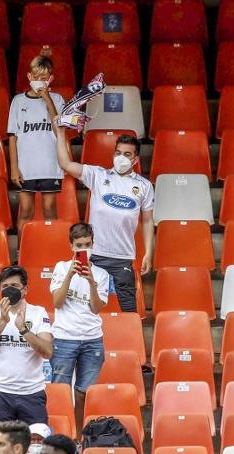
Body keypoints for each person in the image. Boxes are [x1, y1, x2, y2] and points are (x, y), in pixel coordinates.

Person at [51, 113, 153, 313]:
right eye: (117, 153)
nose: (121, 158)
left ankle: (128, 343)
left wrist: (149, 252)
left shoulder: (144, 186)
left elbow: (148, 221)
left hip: (123, 256)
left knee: (128, 310)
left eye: (127, 154)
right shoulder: (98, 175)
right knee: (87, 306)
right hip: (93, 254)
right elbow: (66, 164)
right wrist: (61, 133)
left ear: (135, 159)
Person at [0, 266, 54, 439]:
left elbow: (47, 351)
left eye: (14, 285)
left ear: (24, 289)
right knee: (2, 450)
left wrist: (23, 330)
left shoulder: (38, 313)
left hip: (32, 393)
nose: (9, 290)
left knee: (37, 450)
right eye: (5, 286)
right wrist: (2, 322)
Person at [49, 223, 110, 428]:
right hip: (64, 337)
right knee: (60, 391)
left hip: (92, 338)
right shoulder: (60, 267)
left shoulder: (101, 274)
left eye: (87, 244)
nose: (84, 249)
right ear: (71, 246)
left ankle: (78, 436)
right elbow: (57, 302)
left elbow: (96, 308)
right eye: (79, 245)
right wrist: (70, 275)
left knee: (83, 392)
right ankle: (60, 434)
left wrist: (91, 281)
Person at [8, 54, 66, 233]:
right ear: (29, 77)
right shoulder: (18, 101)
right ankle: (21, 253)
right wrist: (14, 168)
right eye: (36, 78)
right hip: (27, 167)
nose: (39, 82)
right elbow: (12, 137)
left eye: (44, 78)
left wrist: (47, 98)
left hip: (50, 165)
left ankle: (52, 249)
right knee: (25, 210)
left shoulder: (57, 99)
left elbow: (59, 131)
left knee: (49, 208)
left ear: (50, 79)